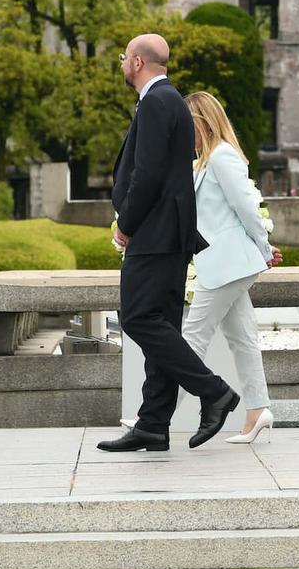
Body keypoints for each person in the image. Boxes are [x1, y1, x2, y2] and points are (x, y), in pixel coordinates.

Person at [98, 34, 238, 453]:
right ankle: (153, 424)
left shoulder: (158, 101)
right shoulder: (166, 100)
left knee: (138, 319)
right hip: (167, 234)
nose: (122, 62)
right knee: (160, 324)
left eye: (124, 57)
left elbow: (149, 173)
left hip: (156, 234)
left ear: (138, 62)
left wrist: (126, 221)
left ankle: (213, 391)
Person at [183, 90, 282, 444]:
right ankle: (258, 411)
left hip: (227, 263)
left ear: (202, 122)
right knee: (242, 339)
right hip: (223, 263)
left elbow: (247, 208)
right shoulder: (204, 162)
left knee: (191, 338)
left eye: (186, 123)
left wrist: (265, 248)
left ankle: (155, 414)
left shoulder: (223, 157)